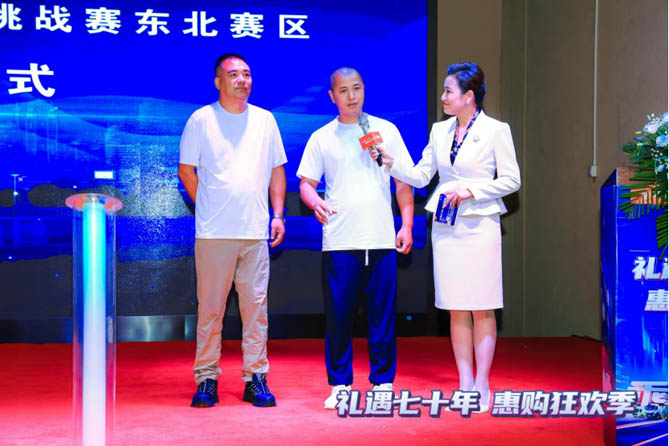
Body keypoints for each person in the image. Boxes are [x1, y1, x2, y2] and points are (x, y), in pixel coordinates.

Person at [371, 62, 521, 412]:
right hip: (445, 226)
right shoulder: (440, 130)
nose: (443, 97)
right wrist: (391, 162)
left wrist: (471, 190)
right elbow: (422, 176)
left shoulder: (496, 130)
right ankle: (465, 382)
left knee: (482, 305)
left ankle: (483, 383)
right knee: (456, 306)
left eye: (448, 91)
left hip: (480, 224)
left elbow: (512, 180)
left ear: (468, 97)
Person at [296, 67, 415, 410]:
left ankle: (383, 382)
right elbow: (306, 184)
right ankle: (340, 384)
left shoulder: (385, 130)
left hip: (380, 237)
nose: (352, 96)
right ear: (332, 96)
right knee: (339, 316)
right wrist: (315, 202)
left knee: (382, 315)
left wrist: (406, 226)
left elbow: (403, 183)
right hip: (340, 239)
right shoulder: (322, 137)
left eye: (357, 88)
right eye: (344, 90)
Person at [178, 53, 287, 408]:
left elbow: (277, 171)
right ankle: (206, 378)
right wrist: (208, 205)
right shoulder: (201, 119)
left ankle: (256, 378)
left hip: (255, 231)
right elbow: (186, 170)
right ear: (218, 82)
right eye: (234, 74)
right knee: (211, 310)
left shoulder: (265, 120)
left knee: (256, 309)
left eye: (247, 74)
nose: (242, 80)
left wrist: (278, 214)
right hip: (214, 234)